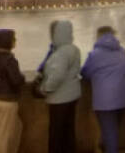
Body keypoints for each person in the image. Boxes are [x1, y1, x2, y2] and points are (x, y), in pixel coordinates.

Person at [81, 25, 125, 153]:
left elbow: (85, 73)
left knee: (109, 132)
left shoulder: (95, 55)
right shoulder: (122, 51)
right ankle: (105, 147)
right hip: (124, 97)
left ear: (98, 36)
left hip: (105, 101)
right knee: (113, 131)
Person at [37, 19, 81, 153]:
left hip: (59, 98)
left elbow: (57, 76)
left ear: (57, 34)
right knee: (68, 132)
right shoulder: (73, 49)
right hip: (71, 95)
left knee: (56, 134)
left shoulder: (61, 53)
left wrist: (44, 89)